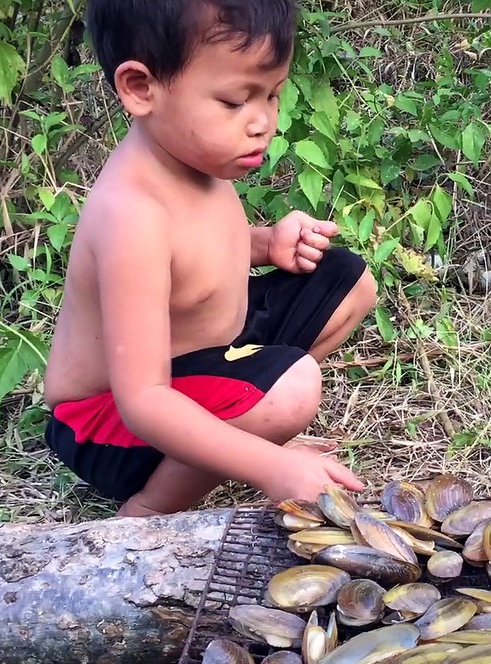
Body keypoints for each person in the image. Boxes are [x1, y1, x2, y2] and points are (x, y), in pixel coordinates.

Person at [40, 0, 374, 517]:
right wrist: (270, 467)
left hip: (198, 359)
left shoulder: (191, 157)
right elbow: (144, 401)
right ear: (141, 89)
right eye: (235, 100)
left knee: (347, 281)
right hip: (108, 422)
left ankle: (236, 432)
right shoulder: (133, 214)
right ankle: (152, 506)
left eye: (272, 95)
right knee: (292, 388)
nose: (263, 121)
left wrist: (266, 244)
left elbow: (199, 250)